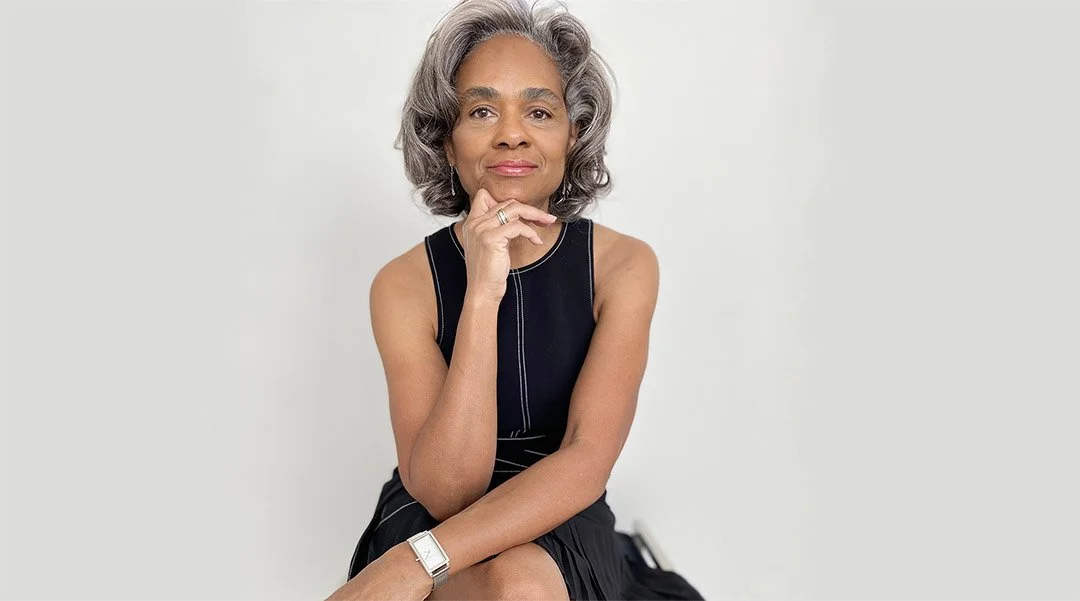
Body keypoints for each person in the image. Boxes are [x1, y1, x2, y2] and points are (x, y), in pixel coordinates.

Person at [327, 1, 704, 599]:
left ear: (573, 134)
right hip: (432, 507)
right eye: (481, 111)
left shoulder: (623, 266)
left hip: (562, 503)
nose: (511, 133)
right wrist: (483, 291)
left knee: (521, 583)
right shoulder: (402, 284)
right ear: (446, 142)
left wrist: (411, 565)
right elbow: (449, 491)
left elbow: (585, 458)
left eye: (539, 110)